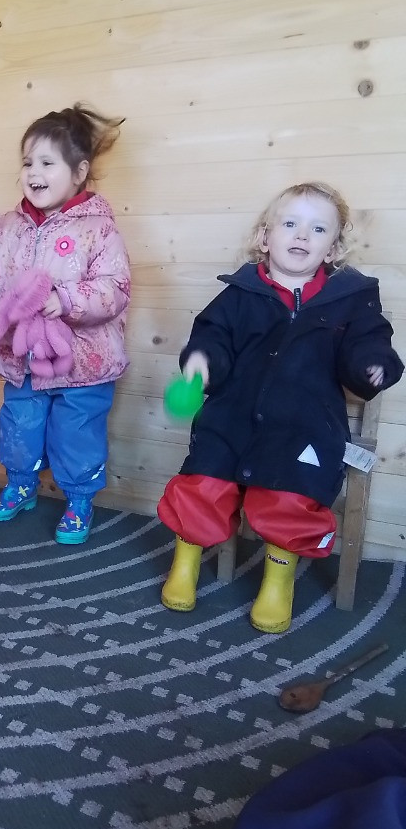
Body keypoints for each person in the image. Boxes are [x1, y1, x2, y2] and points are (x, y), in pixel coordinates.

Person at [157, 181, 403, 632]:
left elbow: (369, 341)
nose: (302, 236)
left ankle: (278, 581)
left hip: (305, 421)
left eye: (317, 229)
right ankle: (186, 562)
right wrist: (201, 363)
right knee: (204, 479)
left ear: (333, 247)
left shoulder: (352, 298)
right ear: (266, 237)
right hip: (231, 413)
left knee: (291, 493)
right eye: (290, 224)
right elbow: (212, 337)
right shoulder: (240, 292)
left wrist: (373, 365)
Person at [0, 104, 131, 544]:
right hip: (23, 356)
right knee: (18, 425)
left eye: (47, 163)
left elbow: (115, 289)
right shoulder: (6, 225)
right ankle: (21, 484)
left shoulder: (99, 229)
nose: (34, 172)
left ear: (79, 171)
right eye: (28, 162)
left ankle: (79, 498)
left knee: (76, 433)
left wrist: (65, 299)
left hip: (84, 363)